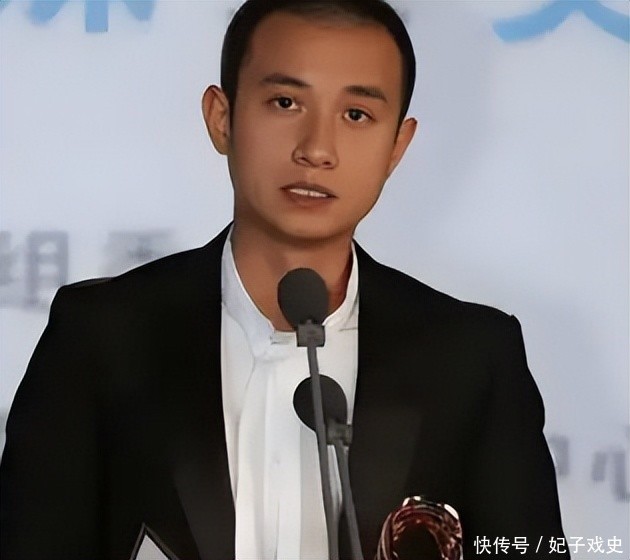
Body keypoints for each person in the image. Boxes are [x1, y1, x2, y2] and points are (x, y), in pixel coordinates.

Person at [0, 0, 569, 558]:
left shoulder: (470, 359)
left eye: (356, 115)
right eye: (285, 102)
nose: (317, 149)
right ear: (221, 118)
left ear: (397, 146)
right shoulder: (102, 338)